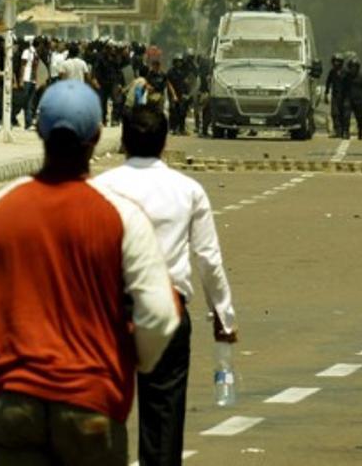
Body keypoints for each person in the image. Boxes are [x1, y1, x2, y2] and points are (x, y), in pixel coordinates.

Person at [0, 80, 180, 466]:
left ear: (40, 131)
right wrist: (132, 360)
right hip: (92, 405)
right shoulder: (121, 217)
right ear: (96, 137)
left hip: (12, 406)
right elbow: (159, 315)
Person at [95, 107, 238, 466]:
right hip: (166, 311)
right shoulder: (188, 190)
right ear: (165, 143)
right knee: (163, 419)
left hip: (108, 313)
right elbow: (208, 259)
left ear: (123, 141)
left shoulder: (100, 188)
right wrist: (224, 316)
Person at [339, 57, 362, 140]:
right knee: (346, 116)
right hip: (348, 98)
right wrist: (342, 99)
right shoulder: (346, 77)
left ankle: (360, 132)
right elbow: (343, 88)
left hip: (358, 99)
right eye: (352, 67)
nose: (353, 69)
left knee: (359, 117)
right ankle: (346, 132)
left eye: (355, 67)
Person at [18, 37, 40, 129]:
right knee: (26, 101)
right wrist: (21, 79)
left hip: (33, 80)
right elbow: (23, 66)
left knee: (30, 102)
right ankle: (28, 121)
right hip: (27, 78)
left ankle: (29, 122)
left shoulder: (36, 53)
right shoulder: (27, 52)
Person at [325, 53, 346, 138]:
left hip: (344, 95)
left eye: (338, 61)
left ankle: (343, 130)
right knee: (335, 113)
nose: (336, 63)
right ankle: (337, 130)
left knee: (343, 114)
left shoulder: (345, 72)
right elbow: (328, 82)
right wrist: (326, 93)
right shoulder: (332, 72)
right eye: (335, 61)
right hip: (335, 95)